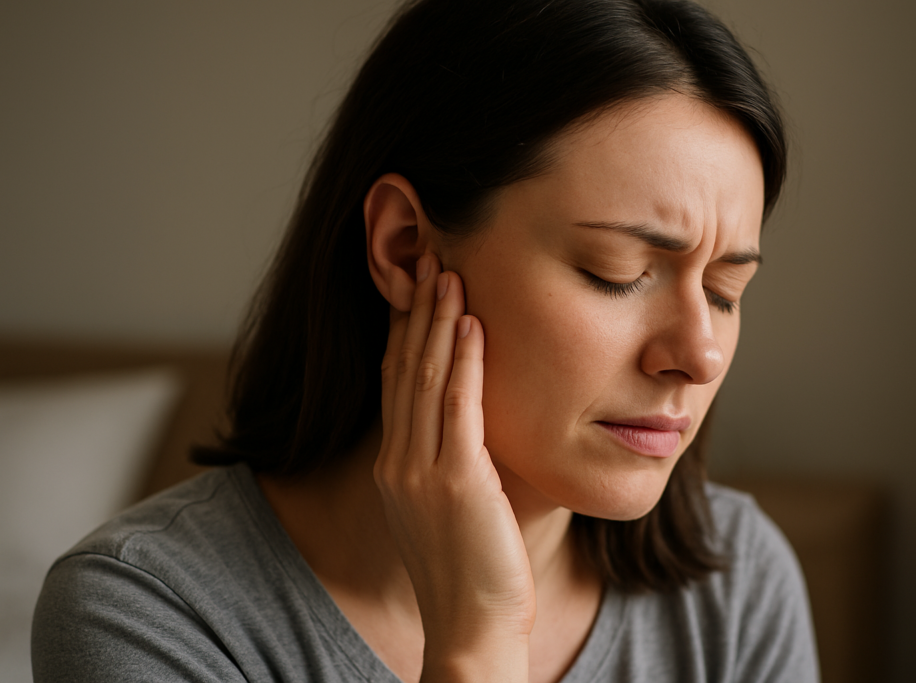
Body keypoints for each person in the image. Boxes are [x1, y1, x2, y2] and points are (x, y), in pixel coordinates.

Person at [32, 0, 818, 681]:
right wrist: (476, 640)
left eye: (725, 291)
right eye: (618, 271)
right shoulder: (144, 615)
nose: (700, 353)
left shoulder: (738, 583)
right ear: (406, 247)